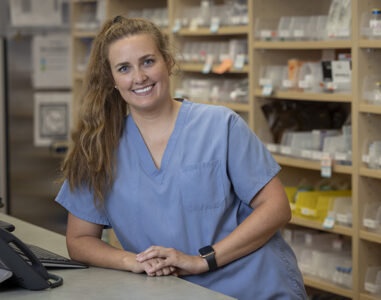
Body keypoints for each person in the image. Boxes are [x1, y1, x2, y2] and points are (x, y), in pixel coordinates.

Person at [56, 16, 306, 300]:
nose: (139, 77)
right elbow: (79, 239)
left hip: (253, 287)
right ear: (112, 80)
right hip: (172, 292)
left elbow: (276, 207)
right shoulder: (100, 147)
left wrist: (202, 261)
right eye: (124, 68)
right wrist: (134, 262)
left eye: (148, 61)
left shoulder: (220, 125)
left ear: (168, 62)